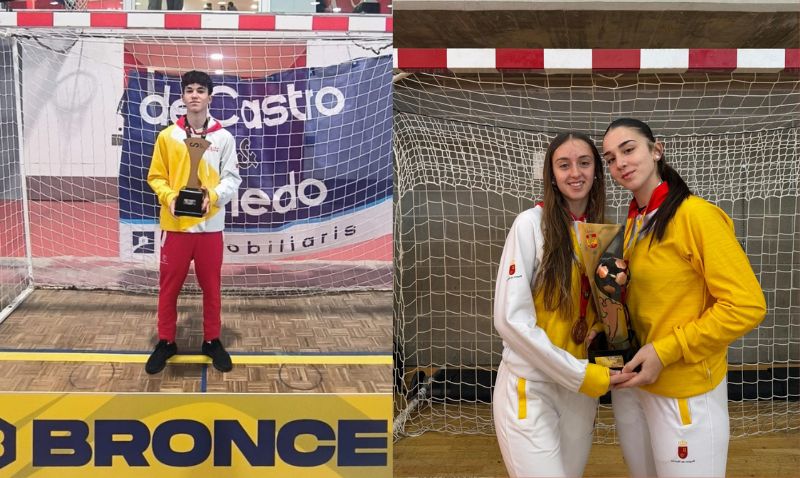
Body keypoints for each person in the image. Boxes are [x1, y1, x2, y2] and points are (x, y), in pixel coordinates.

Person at [601, 118, 766, 477]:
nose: (620, 164)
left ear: (656, 150)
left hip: (684, 388)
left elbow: (747, 305)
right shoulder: (634, 222)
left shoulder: (696, 216)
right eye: (610, 158)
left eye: (628, 150)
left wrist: (666, 350)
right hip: (636, 384)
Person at [493, 132, 636, 477]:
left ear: (597, 173)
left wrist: (606, 335)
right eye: (564, 165)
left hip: (581, 393)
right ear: (552, 175)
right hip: (533, 386)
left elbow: (602, 308)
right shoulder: (529, 225)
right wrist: (579, 374)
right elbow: (510, 320)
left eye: (584, 163)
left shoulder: (602, 233)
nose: (575, 173)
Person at [145, 70, 242, 375]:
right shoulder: (168, 136)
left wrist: (211, 197)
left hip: (210, 228)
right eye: (190, 90)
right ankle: (166, 341)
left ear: (210, 96)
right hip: (175, 228)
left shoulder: (223, 137)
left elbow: (232, 178)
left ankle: (212, 340)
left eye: (201, 90)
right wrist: (169, 196)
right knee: (168, 288)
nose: (195, 95)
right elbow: (156, 176)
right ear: (183, 97)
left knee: (211, 287)